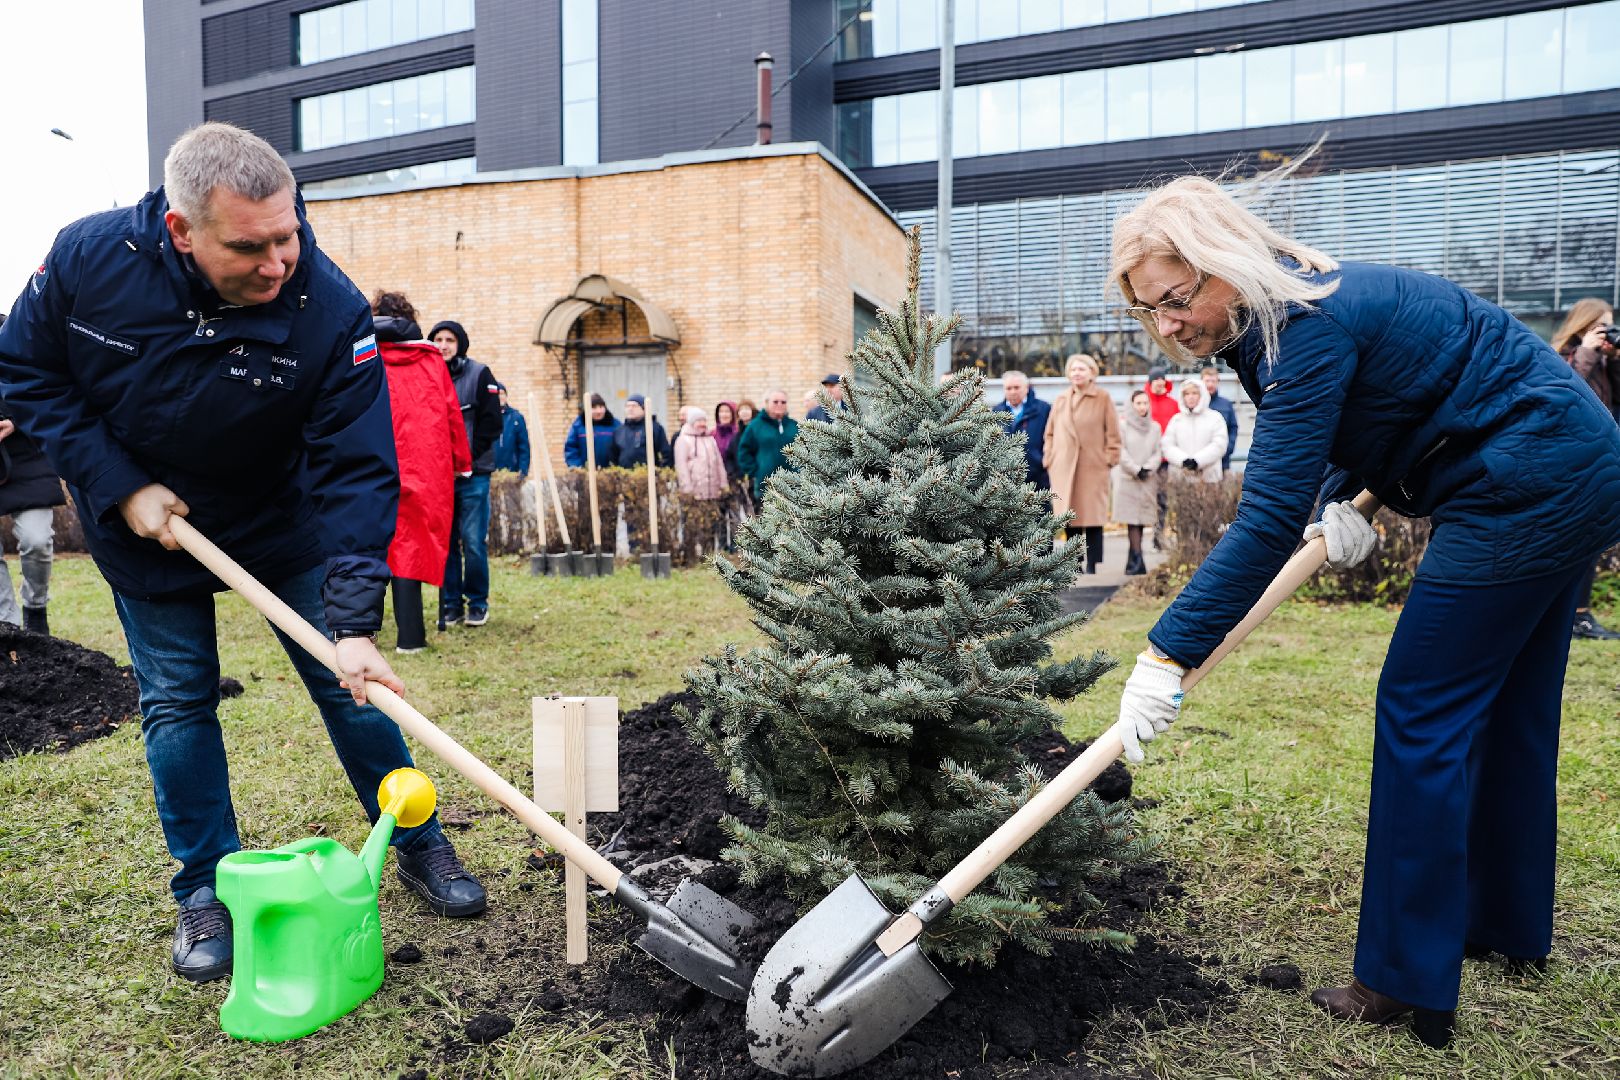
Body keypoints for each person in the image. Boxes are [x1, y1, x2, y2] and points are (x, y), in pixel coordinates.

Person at [1108, 163, 1620, 1049]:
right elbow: (1381, 409)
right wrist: (1339, 501)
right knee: (1508, 706)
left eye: (1176, 297)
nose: (1166, 325)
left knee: (1421, 705)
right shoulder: (1281, 318)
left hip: (1524, 483)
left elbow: (1262, 519)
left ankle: (1403, 979)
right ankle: (1502, 926)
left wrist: (1166, 653)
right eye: (1147, 310)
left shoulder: (1305, 324)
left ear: (1225, 260)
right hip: (1577, 464)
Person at [0, 122, 487, 983]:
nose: (278, 264)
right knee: (180, 703)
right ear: (182, 230)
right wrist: (117, 484)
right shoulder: (86, 259)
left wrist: (352, 620)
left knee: (351, 689)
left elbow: (358, 467)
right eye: (250, 246)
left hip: (278, 520)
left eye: (288, 234)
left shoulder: (331, 311)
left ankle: (419, 840)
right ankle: (204, 889)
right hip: (148, 524)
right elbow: (27, 373)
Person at [373, 292, 472, 654]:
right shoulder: (431, 360)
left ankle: (361, 634)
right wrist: (462, 462)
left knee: (367, 543)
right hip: (423, 465)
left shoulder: (361, 355)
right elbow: (451, 416)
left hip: (371, 461)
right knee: (409, 546)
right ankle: (410, 638)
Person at [1549, 299, 1620, 640]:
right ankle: (1569, 616)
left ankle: (1579, 615)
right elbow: (1565, 391)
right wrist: (1588, 353)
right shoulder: (1559, 354)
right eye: (1602, 326)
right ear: (1583, 326)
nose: (1608, 333)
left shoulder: (1607, 364)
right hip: (1567, 462)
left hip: (1597, 461)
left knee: (1589, 539)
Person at [426, 319, 500, 628]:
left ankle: (477, 603)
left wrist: (464, 460)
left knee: (472, 541)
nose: (443, 345)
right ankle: (451, 605)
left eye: (449, 340)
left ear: (460, 345)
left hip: (474, 476)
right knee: (446, 544)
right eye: (438, 339)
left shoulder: (480, 374)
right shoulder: (426, 375)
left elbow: (491, 423)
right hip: (439, 478)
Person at [0, 314, 65, 635]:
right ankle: (7, 625)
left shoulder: (13, 333)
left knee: (37, 539)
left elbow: (46, 383)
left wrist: (14, 420)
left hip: (26, 455)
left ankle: (35, 607)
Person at [1043, 353, 1120, 573]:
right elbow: (1050, 432)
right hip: (1064, 467)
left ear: (1091, 373)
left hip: (1093, 465)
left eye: (1081, 369)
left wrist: (1110, 457)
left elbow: (1113, 433)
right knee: (1070, 516)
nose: (1077, 373)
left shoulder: (1102, 397)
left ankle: (1093, 563)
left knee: (1092, 515)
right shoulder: (1061, 399)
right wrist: (1050, 457)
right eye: (1073, 369)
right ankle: (1073, 561)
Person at [1114, 389, 1161, 576]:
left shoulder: (1155, 427)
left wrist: (1147, 468)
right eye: (1138, 403)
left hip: (1147, 479)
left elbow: (1158, 451)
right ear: (1132, 405)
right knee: (1131, 521)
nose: (1142, 407)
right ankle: (1137, 558)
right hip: (1129, 479)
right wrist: (1136, 469)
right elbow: (1121, 451)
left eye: (1145, 403)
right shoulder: (1123, 426)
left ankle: (1133, 560)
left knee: (1142, 520)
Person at [735, 389, 799, 502]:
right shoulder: (755, 426)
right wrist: (756, 472)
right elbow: (744, 452)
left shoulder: (794, 425)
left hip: (795, 488)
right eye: (775, 402)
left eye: (783, 402)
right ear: (766, 403)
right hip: (766, 488)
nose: (780, 404)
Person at [991, 369, 1051, 488]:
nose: (1013, 392)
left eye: (1017, 387)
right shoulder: (996, 412)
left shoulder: (1043, 409)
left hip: (1038, 476)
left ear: (1026, 388)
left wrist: (1043, 462)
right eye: (1009, 388)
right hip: (1006, 479)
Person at [1161, 377, 1227, 483]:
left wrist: (1198, 461)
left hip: (1208, 479)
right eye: (1187, 394)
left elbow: (1219, 445)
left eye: (1194, 393)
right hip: (1180, 479)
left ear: (1202, 395)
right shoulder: (1176, 420)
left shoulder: (1215, 418)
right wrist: (1183, 460)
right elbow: (1167, 445)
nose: (1190, 397)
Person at [1145, 363, 1178, 548]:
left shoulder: (1173, 404)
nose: (1159, 382)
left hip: (1165, 461)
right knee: (1148, 500)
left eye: (1161, 379)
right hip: (1147, 459)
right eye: (1155, 379)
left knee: (1163, 500)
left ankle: (1158, 536)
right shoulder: (1143, 402)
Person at [675, 406, 729, 501]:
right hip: (694, 494)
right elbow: (681, 466)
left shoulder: (710, 439)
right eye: (699, 421)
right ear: (691, 422)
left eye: (704, 420)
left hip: (713, 493)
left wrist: (723, 484)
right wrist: (687, 490)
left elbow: (719, 463)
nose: (702, 424)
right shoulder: (683, 440)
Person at [610, 394, 673, 469]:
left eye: (634, 406)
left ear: (644, 409)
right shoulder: (619, 431)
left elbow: (666, 454)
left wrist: (660, 473)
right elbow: (613, 456)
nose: (630, 409)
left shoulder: (654, 428)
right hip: (625, 477)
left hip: (648, 477)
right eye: (627, 406)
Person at [1201, 364, 1239, 473]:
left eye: (1213, 381)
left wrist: (1228, 448)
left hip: (1223, 460)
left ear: (1218, 382)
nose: (1210, 384)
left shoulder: (1226, 404)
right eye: (1207, 381)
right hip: (1200, 461)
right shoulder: (1195, 404)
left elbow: (1233, 428)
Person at [564, 393, 619, 467]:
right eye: (594, 407)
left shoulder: (615, 425)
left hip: (610, 474)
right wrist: (577, 468)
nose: (599, 411)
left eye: (601, 407)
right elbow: (571, 449)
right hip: (585, 474)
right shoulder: (578, 426)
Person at [492, 383, 530, 478]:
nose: (500, 397)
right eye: (497, 394)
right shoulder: (488, 417)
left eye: (502, 393)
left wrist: (523, 470)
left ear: (506, 395)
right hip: (492, 473)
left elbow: (524, 446)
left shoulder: (516, 417)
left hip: (513, 472)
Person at [712, 400, 743, 480]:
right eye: (721, 411)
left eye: (727, 411)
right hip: (716, 478)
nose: (724, 414)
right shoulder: (711, 434)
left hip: (736, 477)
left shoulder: (739, 433)